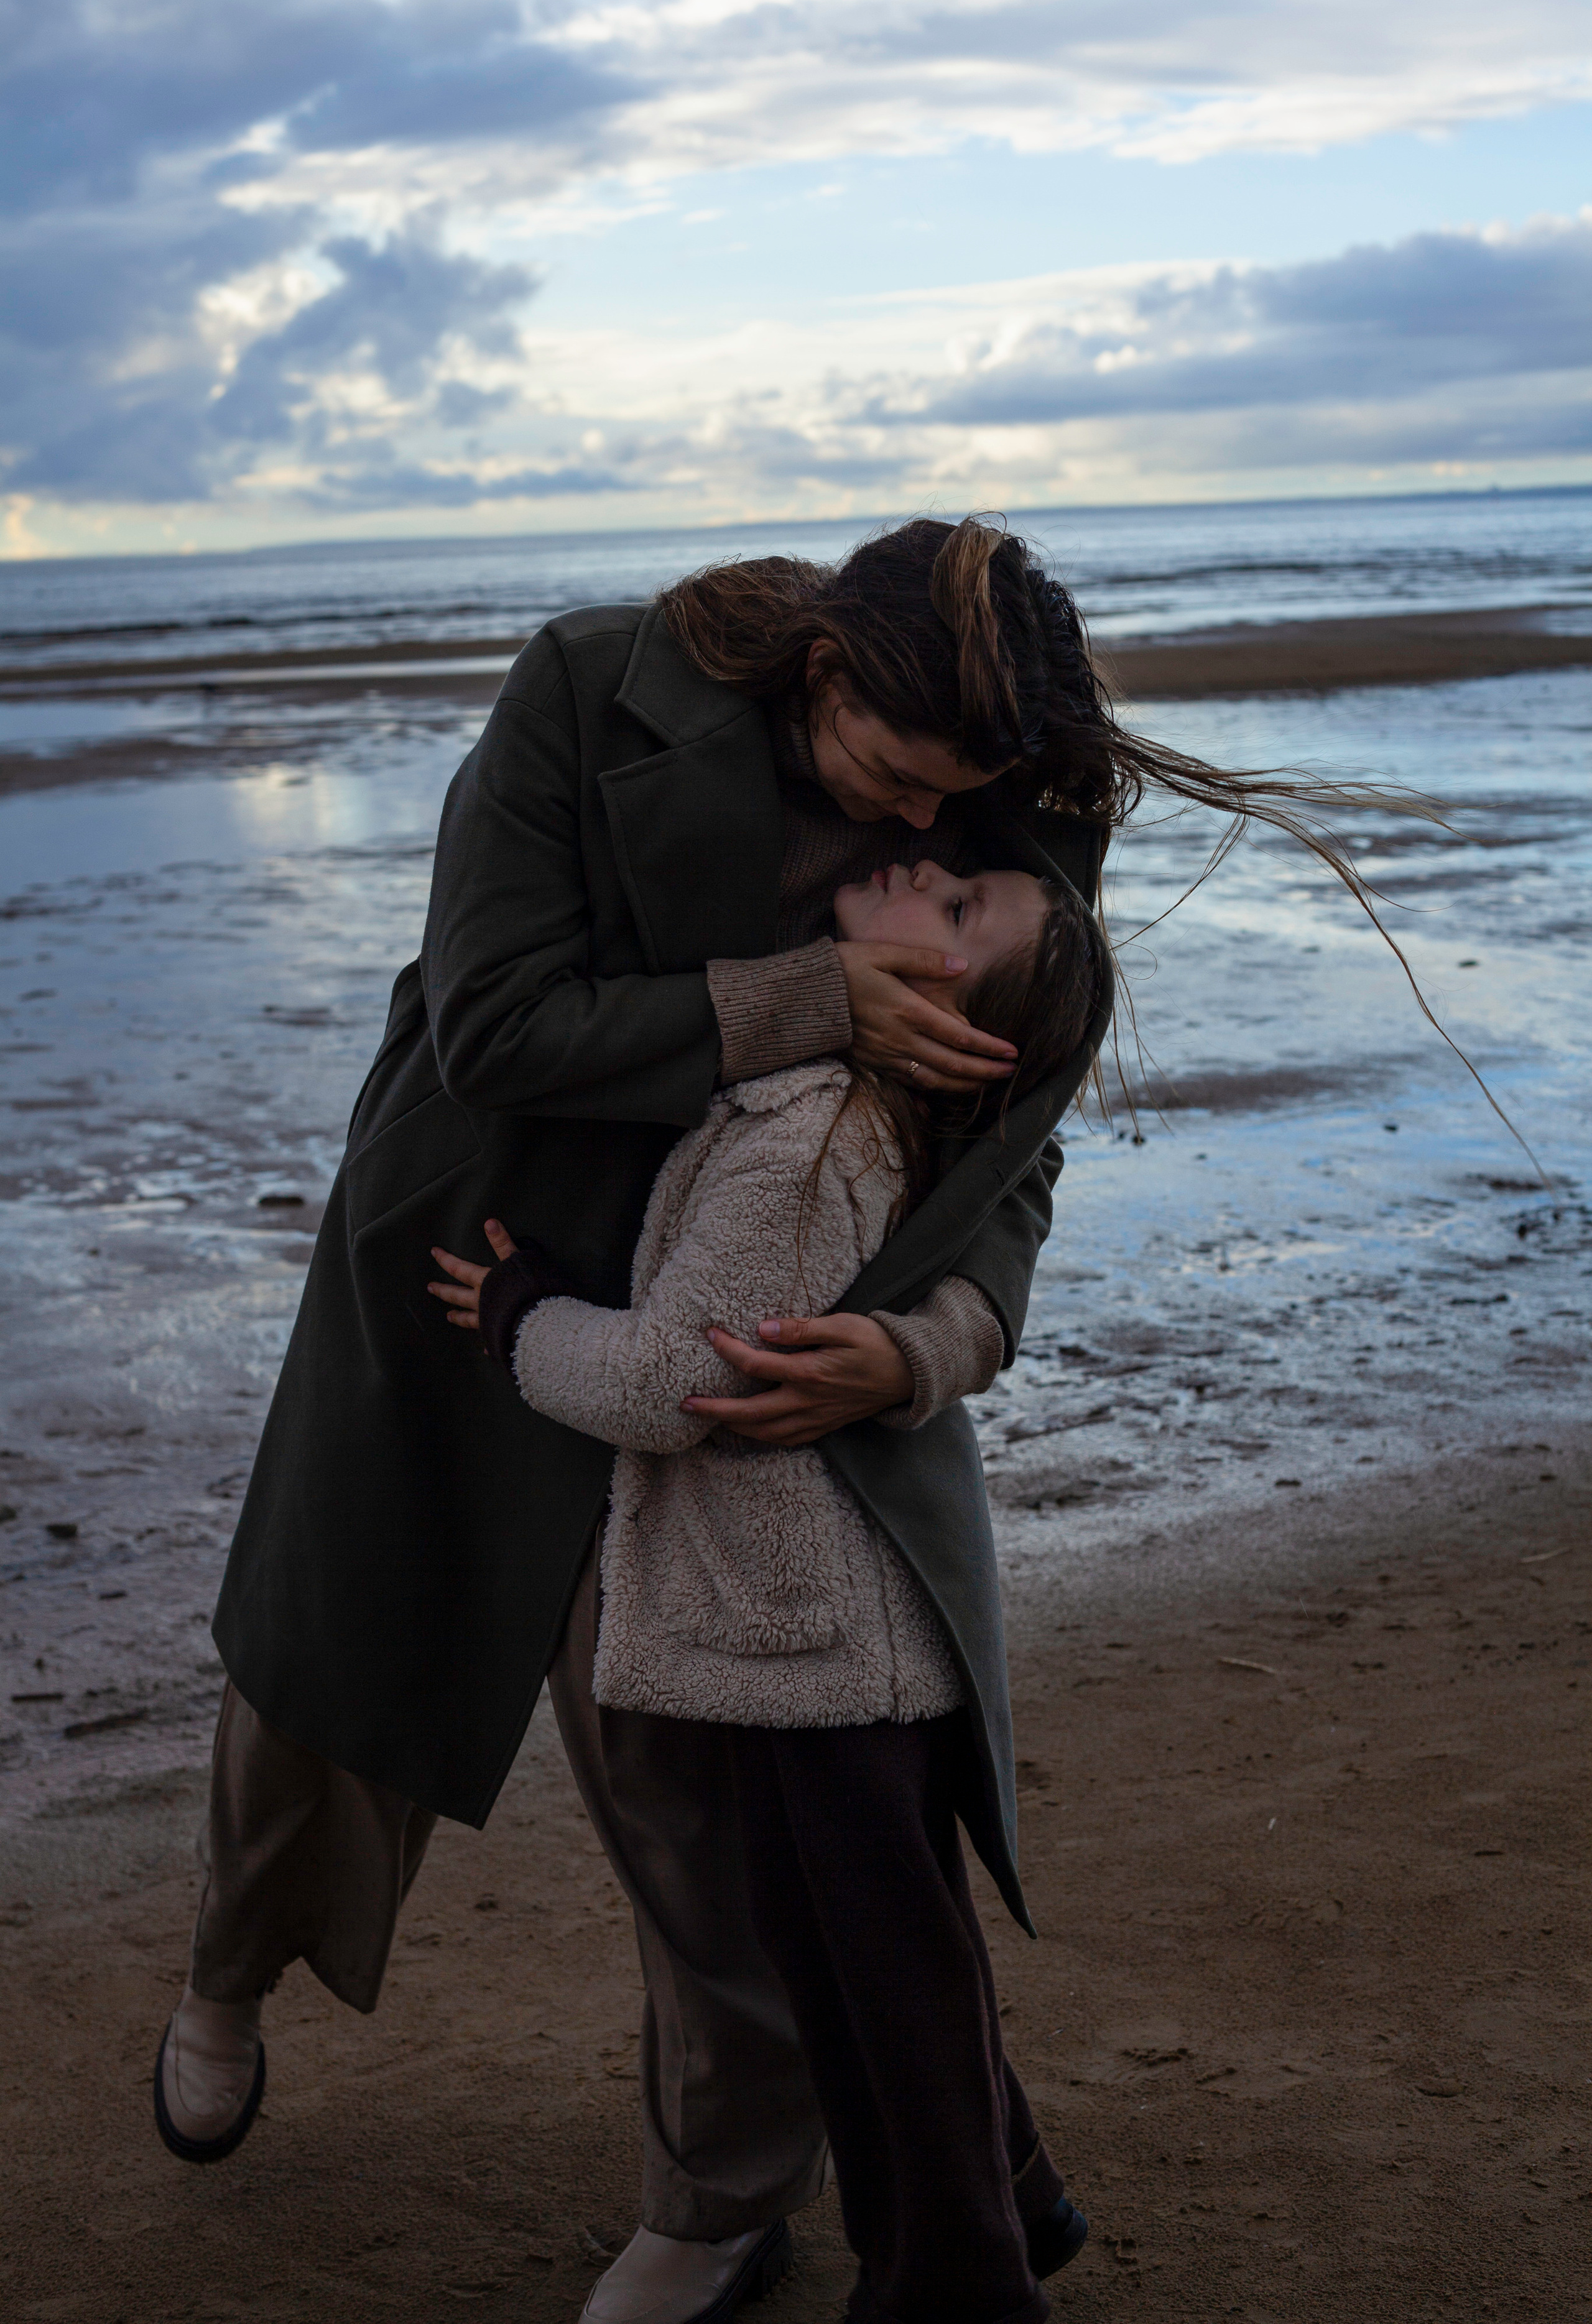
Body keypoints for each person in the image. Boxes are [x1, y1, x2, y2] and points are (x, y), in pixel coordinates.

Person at [153, 513, 1418, 2318]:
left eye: (954, 804)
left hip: (749, 1323)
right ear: (823, 670)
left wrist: (938, 1344)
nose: (923, 830)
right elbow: (492, 1029)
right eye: (897, 781)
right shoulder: (588, 687)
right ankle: (225, 1976)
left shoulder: (1014, 791)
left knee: (700, 1772)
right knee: (318, 1689)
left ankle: (725, 2191)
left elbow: (1015, 1136)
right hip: (472, 1261)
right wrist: (820, 998)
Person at [423, 850, 1107, 2324]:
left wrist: (521, 1314)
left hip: (816, 1650)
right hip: (810, 1635)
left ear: (949, 1014)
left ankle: (959, 2288)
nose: (926, 868)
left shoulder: (806, 1145)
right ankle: (1015, 2196)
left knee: (887, 1998)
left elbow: (677, 1382)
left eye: (960, 907)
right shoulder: (845, 1126)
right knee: (863, 1965)